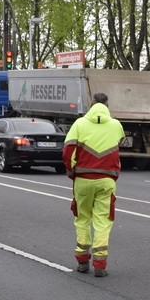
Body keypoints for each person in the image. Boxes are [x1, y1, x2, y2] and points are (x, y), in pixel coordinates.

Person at [62, 92, 125, 277]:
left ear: (91, 104)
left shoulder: (79, 124)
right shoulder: (116, 125)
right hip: (107, 180)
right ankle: (100, 264)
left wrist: (71, 169)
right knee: (103, 221)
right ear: (107, 105)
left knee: (82, 219)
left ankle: (82, 262)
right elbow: (119, 143)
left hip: (82, 179)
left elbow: (68, 151)